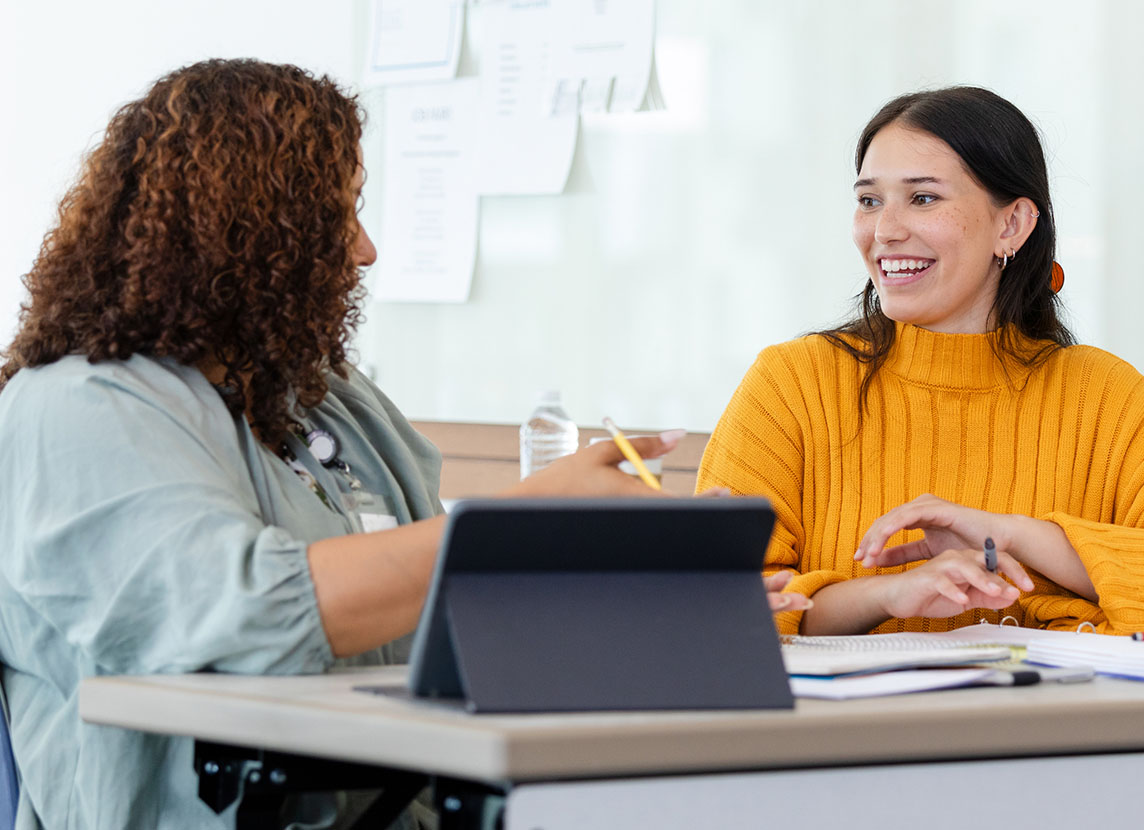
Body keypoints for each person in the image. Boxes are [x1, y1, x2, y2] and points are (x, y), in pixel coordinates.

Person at [0, 59, 808, 830]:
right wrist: (533, 514)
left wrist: (646, 602)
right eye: (337, 216)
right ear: (237, 235)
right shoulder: (75, 410)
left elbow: (443, 602)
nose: (364, 250)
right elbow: (248, 611)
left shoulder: (329, 400)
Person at [697, 86, 1144, 638]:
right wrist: (888, 593)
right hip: (835, 725)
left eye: (924, 198)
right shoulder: (792, 383)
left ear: (1012, 226)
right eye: (869, 200)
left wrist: (1013, 535)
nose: (884, 231)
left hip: (1057, 723)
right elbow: (719, 603)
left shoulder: (1110, 398)